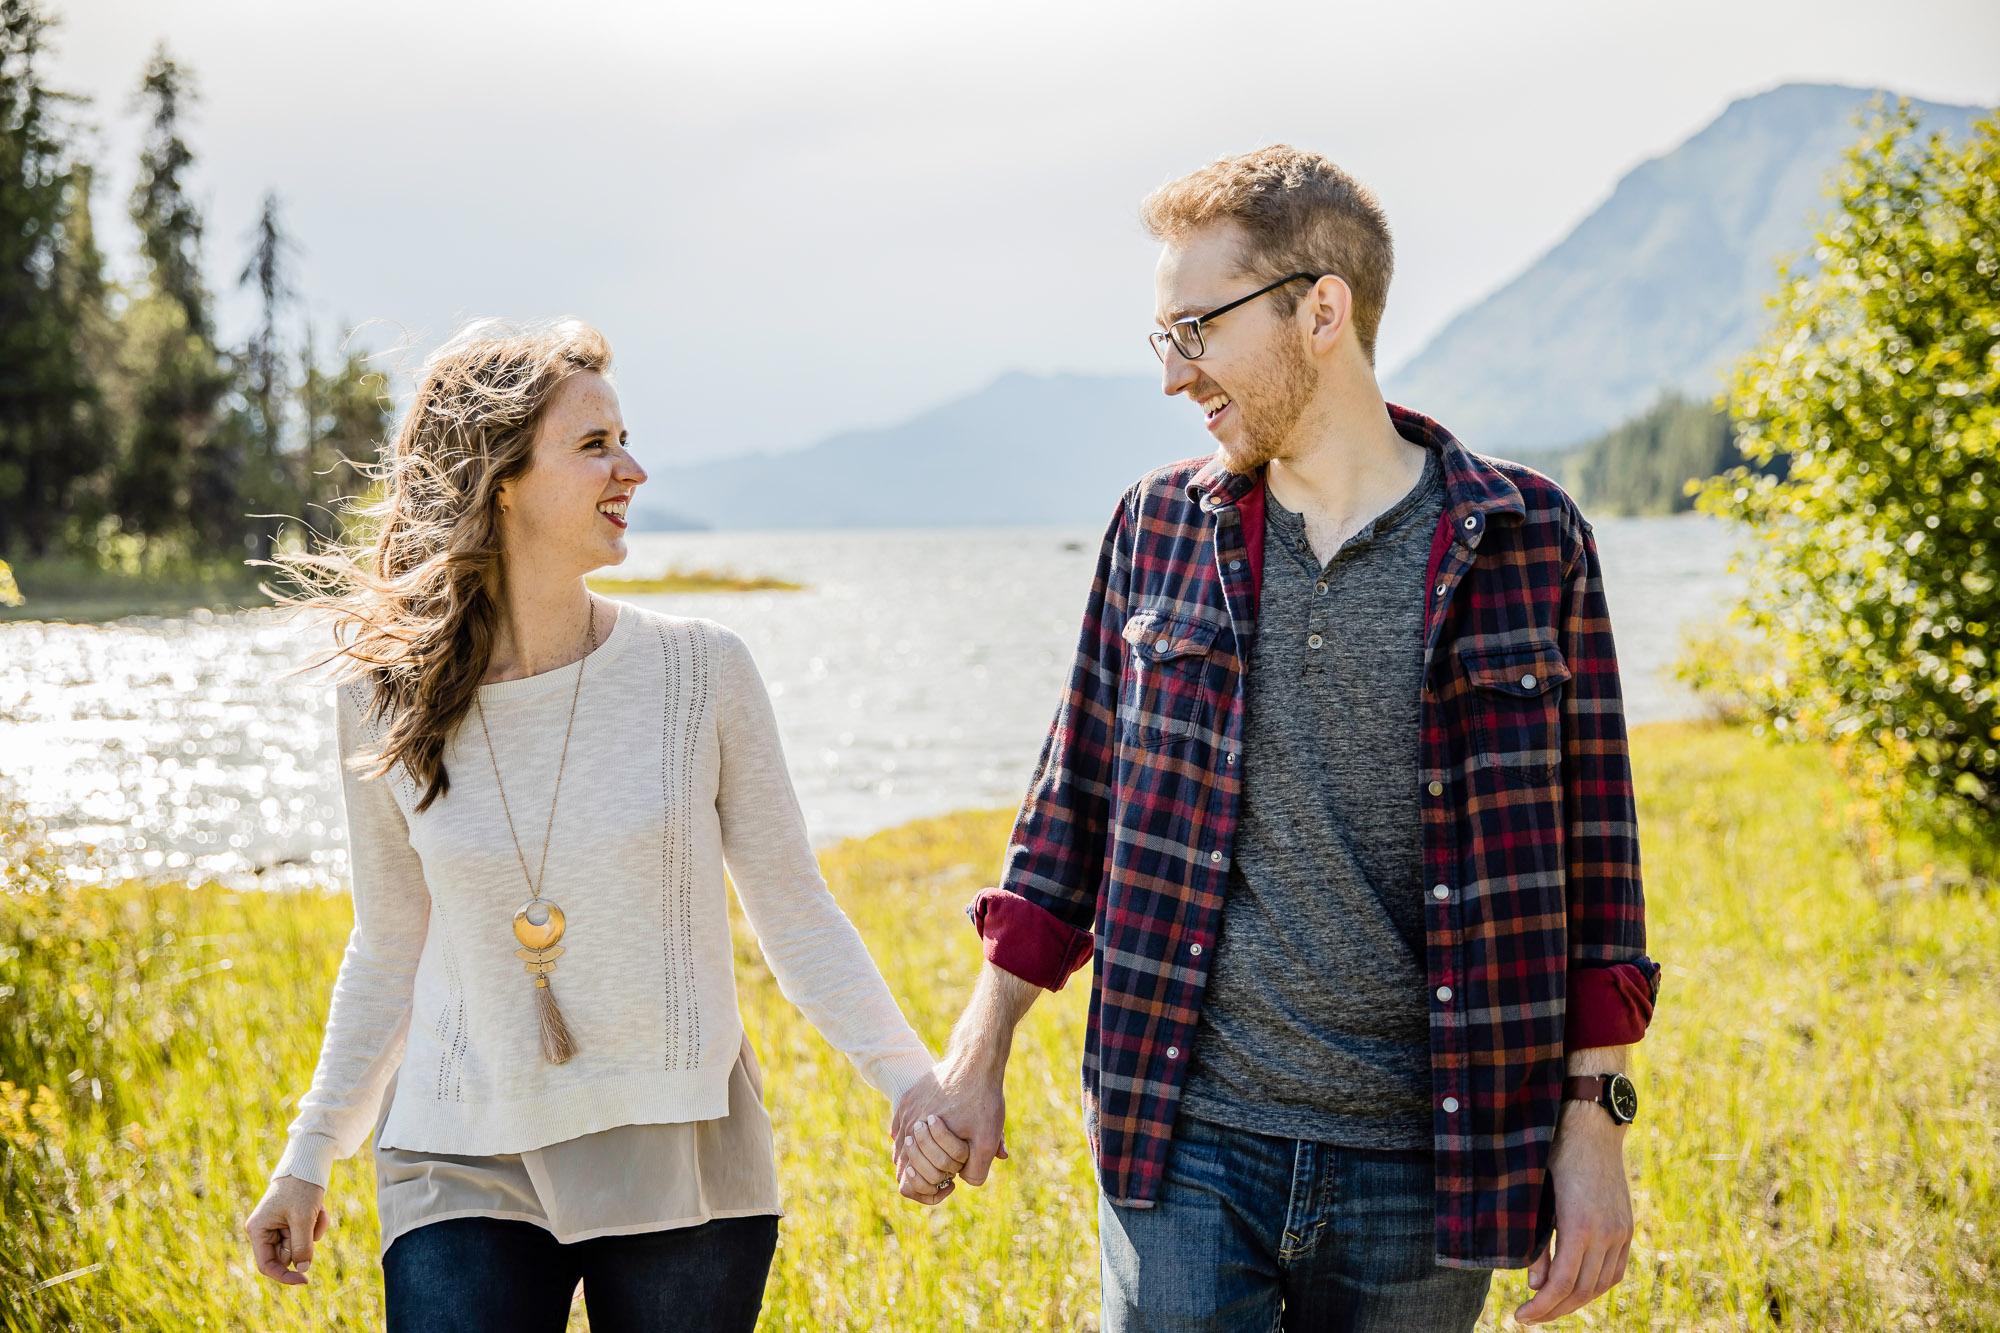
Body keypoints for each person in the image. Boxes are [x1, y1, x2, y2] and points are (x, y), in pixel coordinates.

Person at [890, 146, 1659, 1331]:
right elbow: (1069, 810)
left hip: (1429, 1153)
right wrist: (974, 1049)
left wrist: (1592, 1123)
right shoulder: (1153, 528)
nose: (1172, 376)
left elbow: (1598, 868)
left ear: (1319, 310)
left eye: (1193, 328)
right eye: (1164, 336)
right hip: (1185, 1132)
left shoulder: (1528, 538)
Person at [242, 319, 937, 1331]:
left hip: (679, 1154)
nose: (634, 469)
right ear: (501, 481)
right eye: (595, 445)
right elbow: (389, 942)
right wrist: (308, 1157)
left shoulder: (701, 670)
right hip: (460, 1150)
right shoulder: (382, 699)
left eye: (624, 438)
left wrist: (908, 1080)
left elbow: (793, 906)